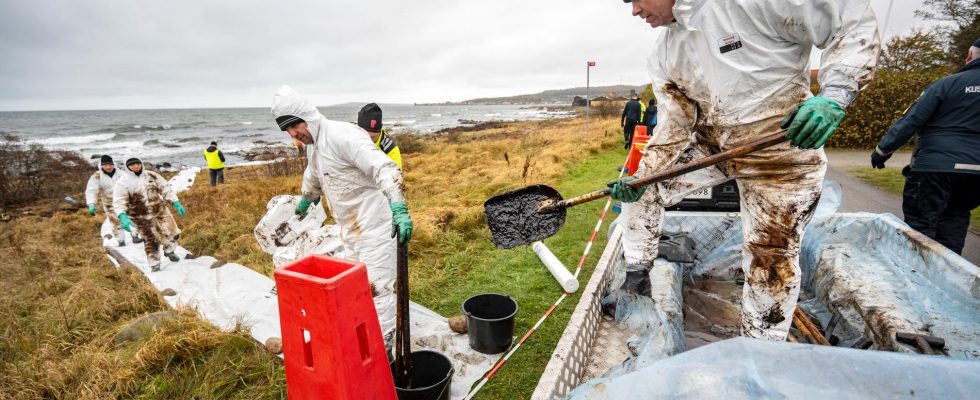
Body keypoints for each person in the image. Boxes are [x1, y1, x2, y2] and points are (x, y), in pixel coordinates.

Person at [609, 0, 878, 341]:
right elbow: (675, 124)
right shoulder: (665, 52)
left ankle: (760, 349)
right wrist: (643, 173)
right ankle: (637, 275)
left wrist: (836, 93)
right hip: (715, 147)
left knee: (771, 260)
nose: (634, 11)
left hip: (781, 152)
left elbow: (848, 20)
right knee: (642, 187)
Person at [272, 86, 413, 349]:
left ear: (308, 117)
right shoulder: (314, 147)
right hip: (351, 229)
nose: (294, 135)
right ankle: (367, 338)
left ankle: (384, 352)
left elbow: (385, 168)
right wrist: (306, 199)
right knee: (358, 288)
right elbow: (313, 175)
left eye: (294, 126)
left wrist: (399, 208)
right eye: (288, 131)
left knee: (378, 289)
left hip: (377, 227)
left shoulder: (343, 136)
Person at [871, 39, 980, 255]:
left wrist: (882, 152)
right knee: (956, 219)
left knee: (920, 227)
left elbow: (912, 119)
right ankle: (948, 276)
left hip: (935, 167)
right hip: (976, 174)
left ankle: (912, 277)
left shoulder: (947, 84)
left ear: (970, 55)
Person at [113, 157, 187, 272]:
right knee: (151, 240)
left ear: (141, 164)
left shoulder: (151, 176)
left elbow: (165, 189)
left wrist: (176, 202)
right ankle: (155, 264)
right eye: (132, 165)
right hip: (140, 216)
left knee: (173, 232)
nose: (136, 166)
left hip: (160, 209)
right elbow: (119, 201)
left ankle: (169, 250)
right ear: (127, 167)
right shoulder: (123, 182)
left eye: (137, 163)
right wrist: (122, 216)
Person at [85, 155, 141, 246]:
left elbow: (131, 185)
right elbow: (91, 190)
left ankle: (135, 236)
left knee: (132, 218)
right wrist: (91, 204)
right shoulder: (97, 176)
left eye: (110, 164)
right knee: (115, 222)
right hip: (109, 203)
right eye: (105, 165)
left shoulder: (121, 173)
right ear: (101, 165)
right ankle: (121, 241)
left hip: (125, 201)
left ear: (113, 164)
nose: (108, 167)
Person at [358, 103, 403, 169]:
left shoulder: (391, 150)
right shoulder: (349, 133)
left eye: (373, 137)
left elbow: (396, 177)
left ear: (380, 131)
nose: (369, 140)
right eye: (365, 135)